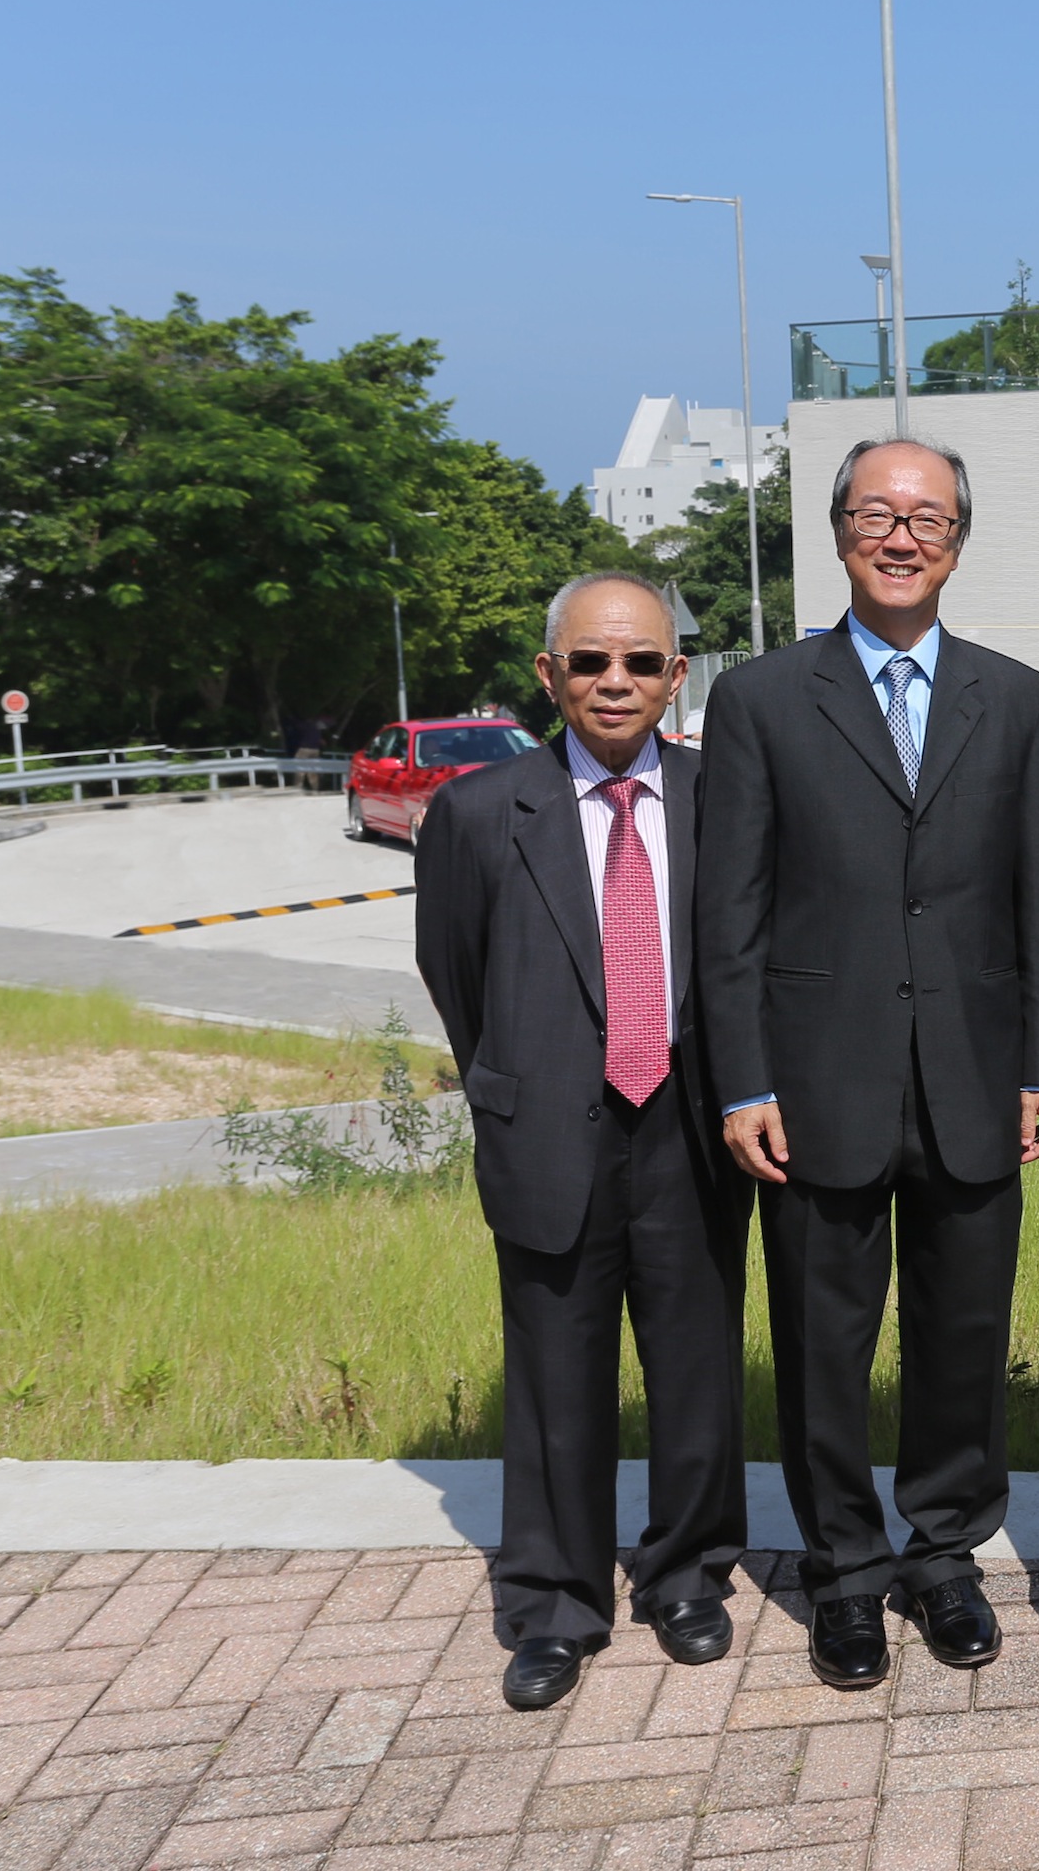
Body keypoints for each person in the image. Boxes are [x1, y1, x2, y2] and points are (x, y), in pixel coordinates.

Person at [696, 438, 1039, 1691]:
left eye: (928, 517)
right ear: (840, 532)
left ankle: (944, 1556)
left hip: (976, 1078)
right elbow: (731, 915)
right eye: (878, 514)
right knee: (820, 1342)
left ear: (959, 541)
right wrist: (743, 1079)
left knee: (964, 1338)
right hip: (812, 1088)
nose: (902, 535)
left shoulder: (1017, 700)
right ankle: (845, 1574)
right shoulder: (761, 700)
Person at [415, 572, 749, 1712]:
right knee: (557, 1374)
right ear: (548, 673)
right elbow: (455, 973)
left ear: (677, 677)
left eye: (642, 662)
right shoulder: (477, 811)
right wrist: (525, 1077)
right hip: (550, 1125)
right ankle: (555, 1601)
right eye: (593, 662)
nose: (617, 682)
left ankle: (689, 1573)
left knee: (698, 1363)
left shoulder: (723, 798)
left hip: (694, 1126)